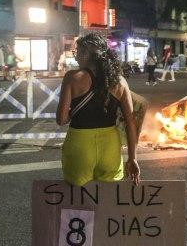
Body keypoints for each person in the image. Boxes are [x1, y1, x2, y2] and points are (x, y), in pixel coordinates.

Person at [56, 33, 140, 186]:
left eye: (77, 52)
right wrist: (132, 158)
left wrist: (73, 113)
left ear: (86, 53)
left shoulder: (72, 78)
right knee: (107, 199)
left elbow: (61, 120)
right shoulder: (120, 81)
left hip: (80, 145)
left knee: (78, 200)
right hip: (110, 147)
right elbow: (131, 121)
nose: (76, 58)